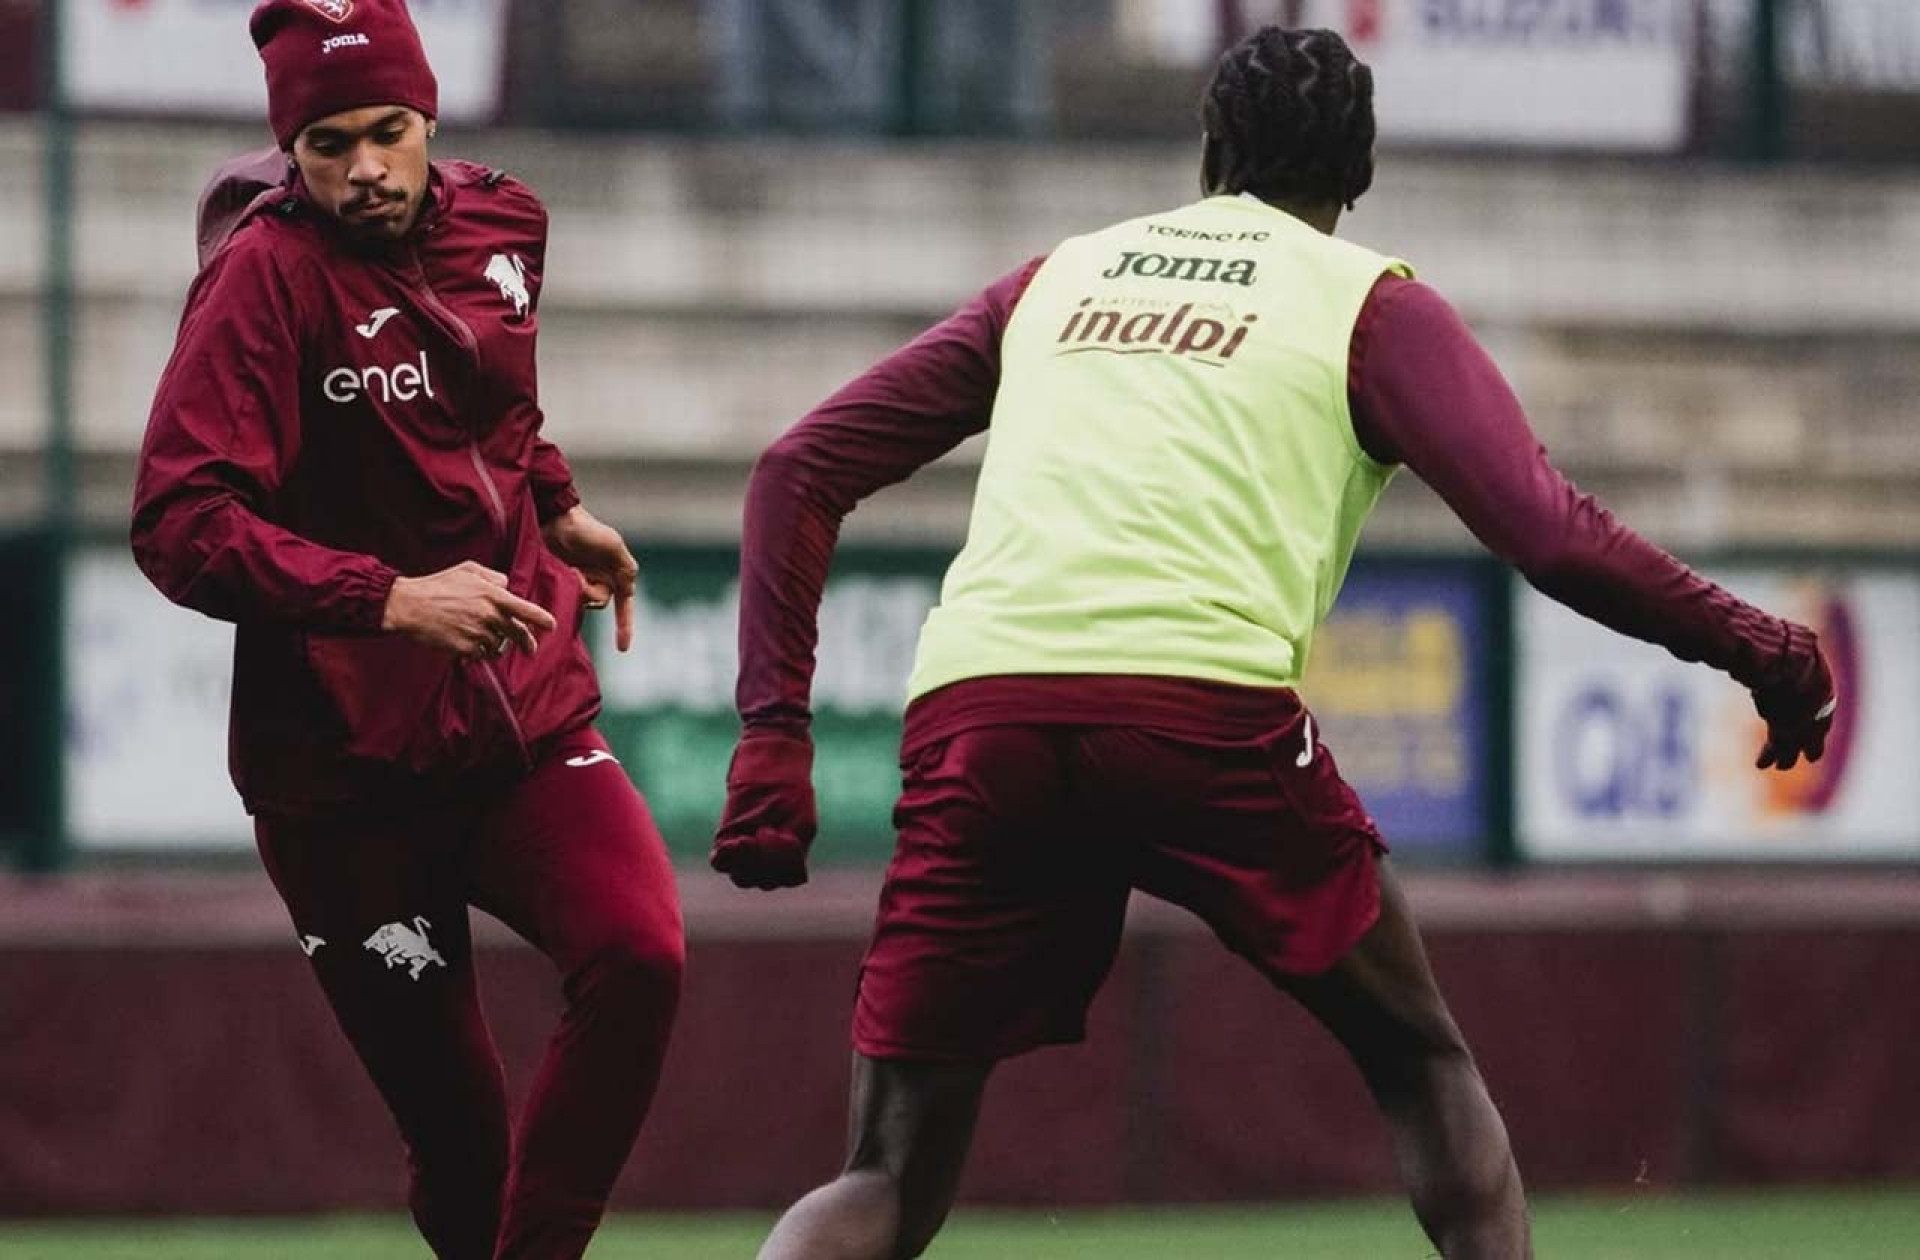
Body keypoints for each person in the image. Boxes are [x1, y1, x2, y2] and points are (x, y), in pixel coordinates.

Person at [710, 25, 1837, 1260]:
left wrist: (776, 735)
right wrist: (1762, 649)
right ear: (1358, 179)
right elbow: (1552, 536)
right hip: (1205, 713)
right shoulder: (1370, 304)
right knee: (1422, 1062)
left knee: (885, 1173)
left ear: (1209, 153)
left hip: (986, 715)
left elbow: (797, 469)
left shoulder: (1060, 278)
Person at [130, 4, 683, 1258]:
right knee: (462, 1137)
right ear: (291, 150)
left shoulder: (510, 221)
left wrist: (559, 503)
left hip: (524, 719)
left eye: (388, 131)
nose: (365, 167)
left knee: (640, 953)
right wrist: (389, 599)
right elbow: (176, 521)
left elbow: (492, 411)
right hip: (341, 778)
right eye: (329, 144)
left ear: (430, 119)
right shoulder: (259, 281)